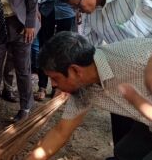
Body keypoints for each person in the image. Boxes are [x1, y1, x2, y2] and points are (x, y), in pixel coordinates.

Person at [57, 0, 152, 158]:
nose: (78, 12)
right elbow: (88, 46)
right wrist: (69, 80)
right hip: (124, 73)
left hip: (148, 69)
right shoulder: (90, 13)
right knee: (124, 145)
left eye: (77, 6)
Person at [26, 32, 152, 160]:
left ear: (75, 70)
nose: (53, 85)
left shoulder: (137, 58)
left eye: (55, 78)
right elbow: (60, 132)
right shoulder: (82, 89)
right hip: (147, 123)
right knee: (122, 155)